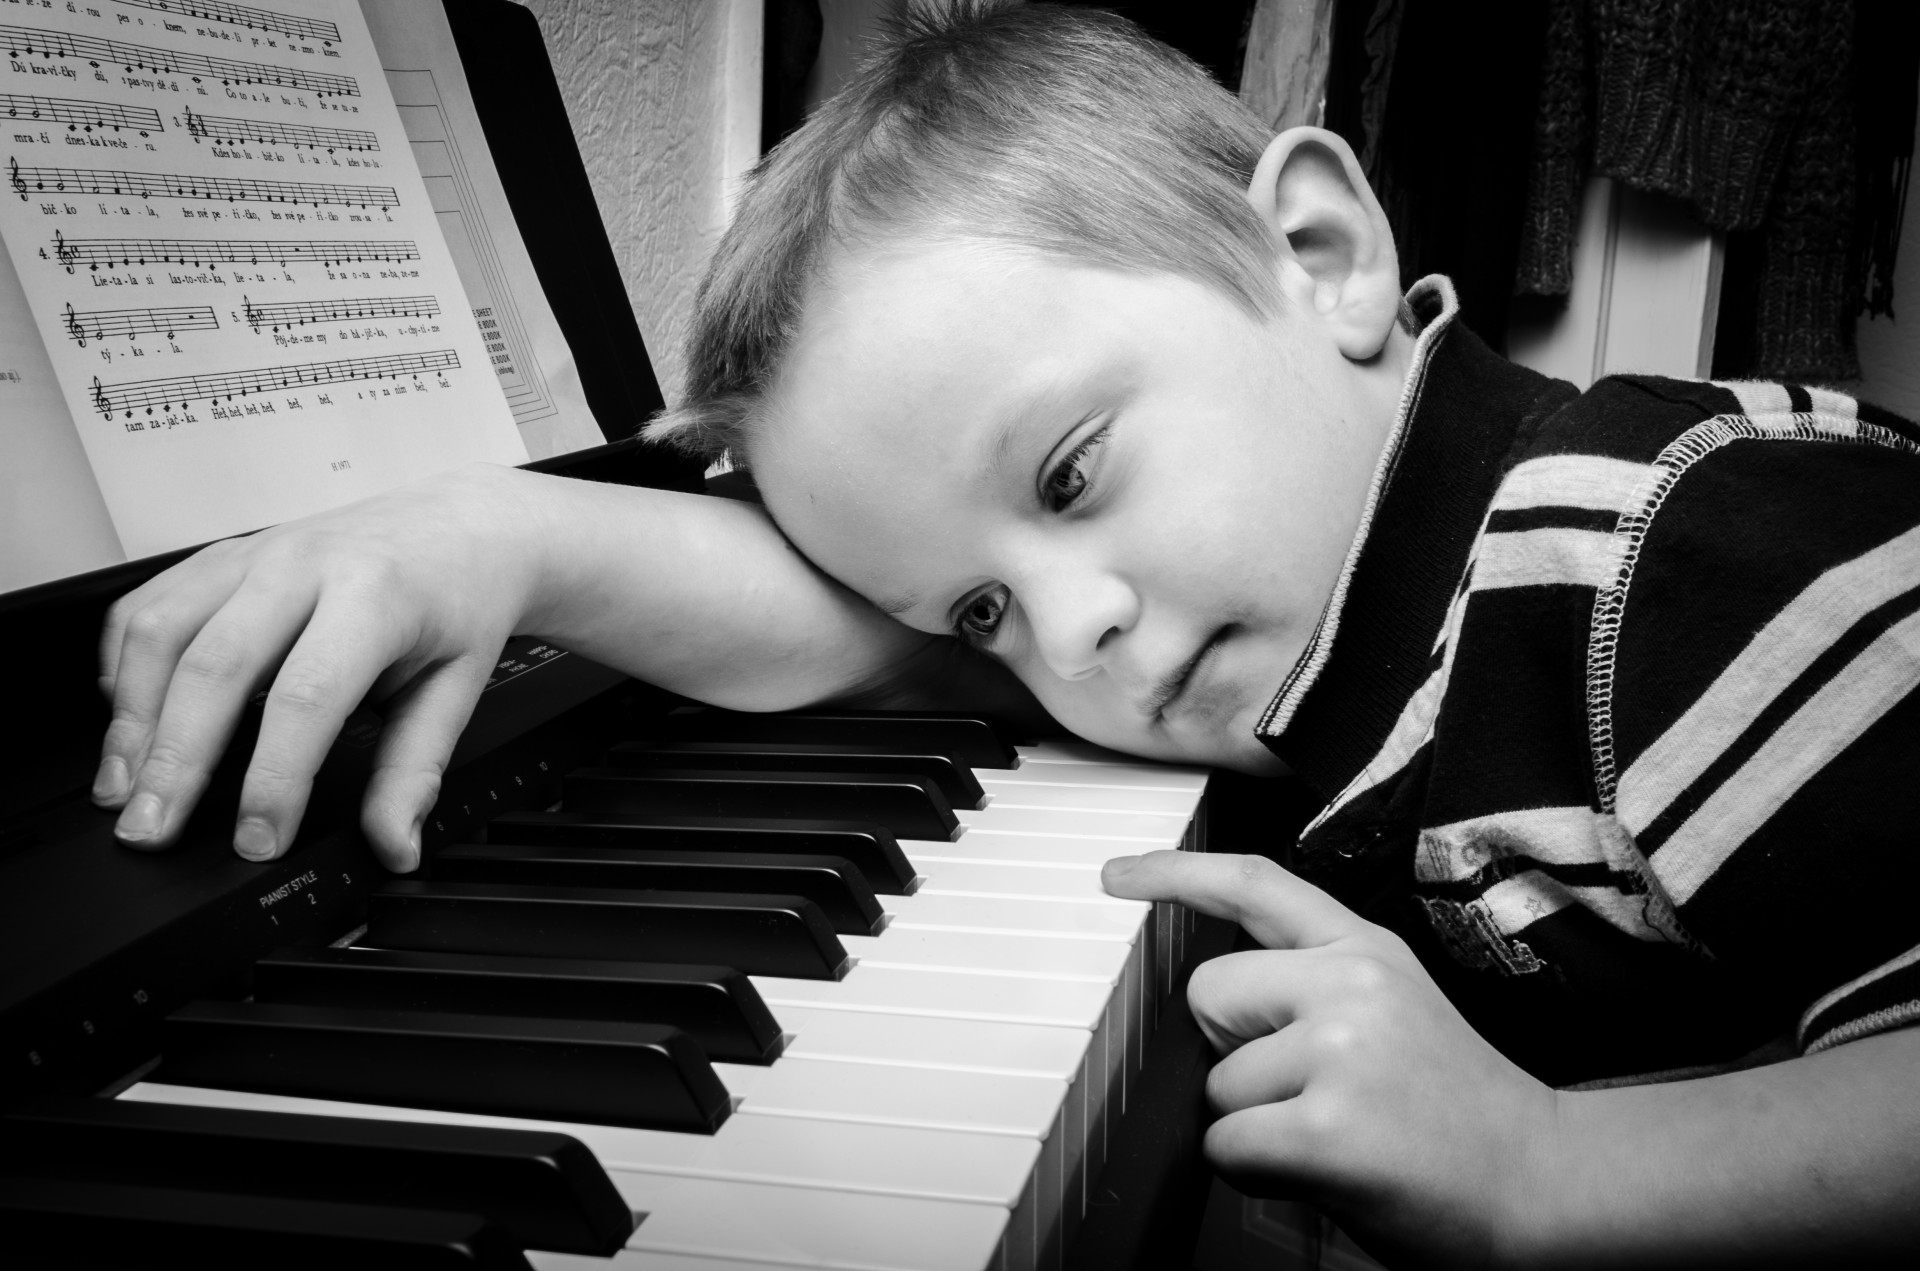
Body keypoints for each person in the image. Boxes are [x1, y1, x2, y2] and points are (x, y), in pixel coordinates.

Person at [86, 2, 1919, 1265]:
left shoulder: (1670, 543)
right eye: (983, 608)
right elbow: (852, 633)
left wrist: (1550, 1174)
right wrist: (502, 532)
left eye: (1067, 475)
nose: (1075, 641)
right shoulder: (1289, 602)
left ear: (1325, 254)